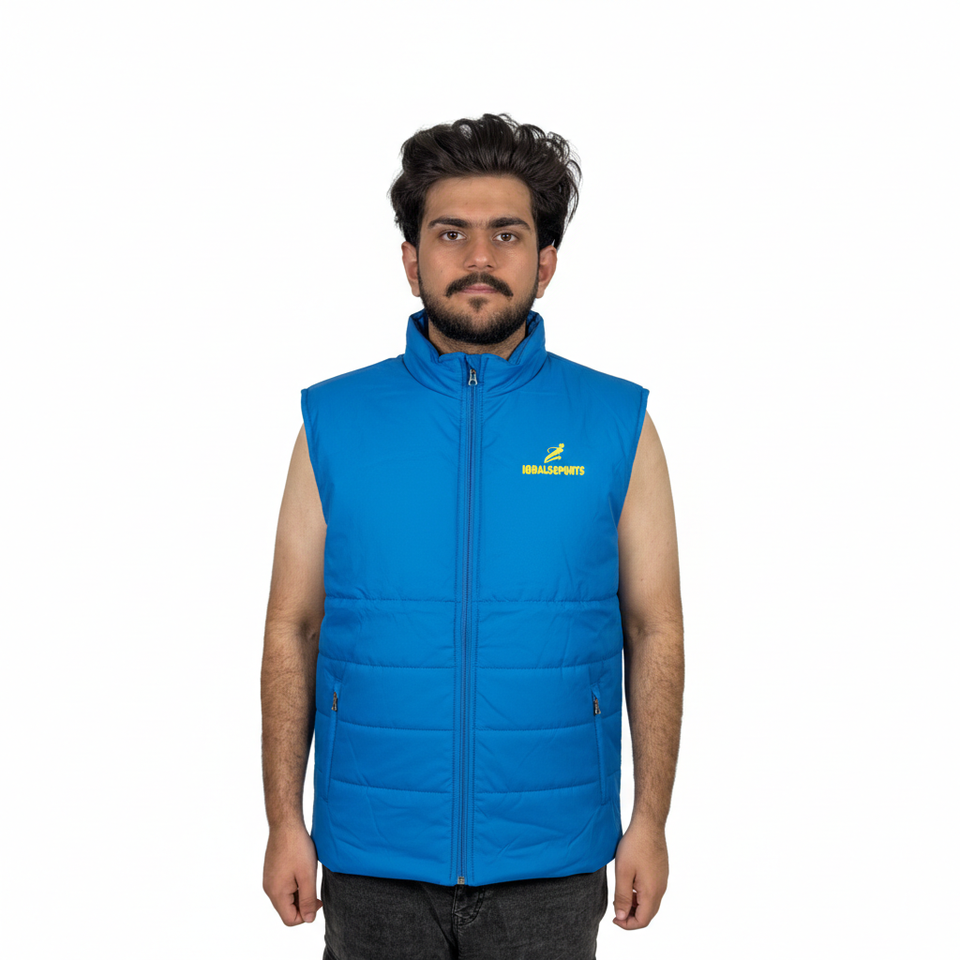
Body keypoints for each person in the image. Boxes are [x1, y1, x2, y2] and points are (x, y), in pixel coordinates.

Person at [261, 113, 684, 959]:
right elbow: (292, 628)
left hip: (553, 858)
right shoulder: (334, 421)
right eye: (451, 234)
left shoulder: (617, 424)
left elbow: (655, 628)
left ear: (545, 262)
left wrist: (650, 821)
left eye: (507, 234)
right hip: (373, 855)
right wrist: (282, 821)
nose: (479, 258)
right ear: (411, 259)